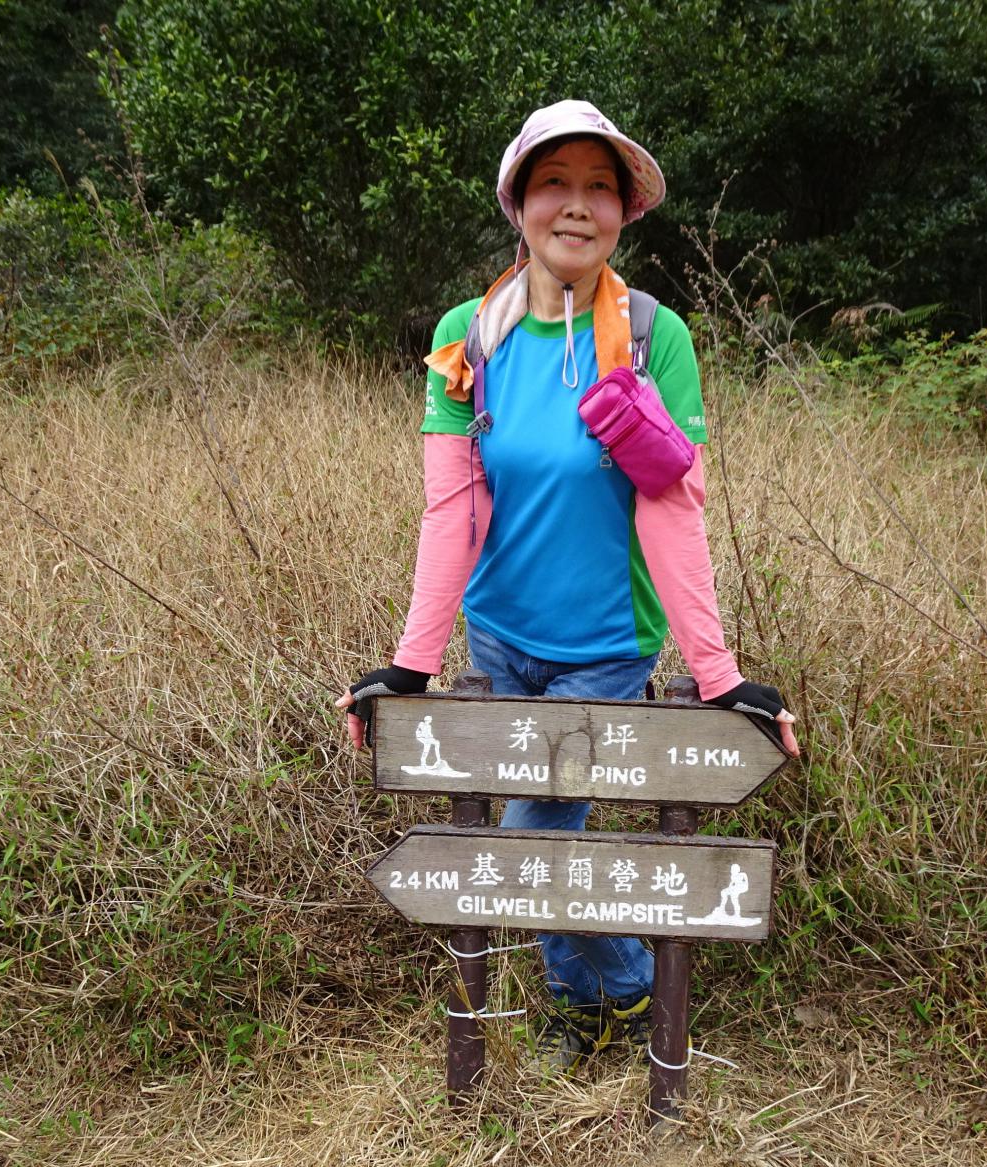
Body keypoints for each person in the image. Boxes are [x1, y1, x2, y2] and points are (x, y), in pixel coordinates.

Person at [339, 99, 800, 1074]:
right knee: (545, 835)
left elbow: (673, 509)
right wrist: (411, 665)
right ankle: (595, 1002)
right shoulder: (470, 337)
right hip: (499, 636)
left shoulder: (653, 336)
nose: (578, 205)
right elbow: (452, 511)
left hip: (605, 644)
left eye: (600, 186)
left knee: (531, 834)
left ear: (626, 210)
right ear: (520, 203)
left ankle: (615, 995)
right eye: (556, 183)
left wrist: (719, 676)